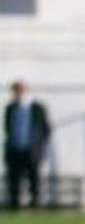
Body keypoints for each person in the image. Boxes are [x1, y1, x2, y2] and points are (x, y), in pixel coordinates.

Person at [4, 81, 51, 210]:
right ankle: (14, 206)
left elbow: (46, 129)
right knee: (14, 180)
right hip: (15, 149)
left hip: (32, 150)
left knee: (34, 179)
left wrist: (40, 147)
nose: (17, 95)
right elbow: (8, 128)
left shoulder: (37, 108)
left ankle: (35, 206)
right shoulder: (10, 108)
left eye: (19, 91)